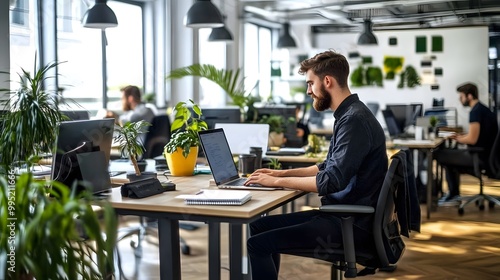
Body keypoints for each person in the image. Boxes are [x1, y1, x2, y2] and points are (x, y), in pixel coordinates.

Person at [243, 50, 389, 279]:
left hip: (350, 225)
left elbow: (330, 181)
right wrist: (279, 174)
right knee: (258, 227)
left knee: (257, 245)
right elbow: (325, 167)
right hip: (344, 217)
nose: (308, 91)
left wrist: (276, 181)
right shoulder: (350, 115)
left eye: (311, 83)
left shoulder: (353, 120)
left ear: (327, 81)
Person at [434, 82, 498, 206]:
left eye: (461, 96)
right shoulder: (482, 109)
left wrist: (457, 139)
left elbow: (472, 140)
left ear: (469, 96)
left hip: (479, 156)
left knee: (441, 155)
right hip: (487, 155)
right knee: (450, 154)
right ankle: (454, 194)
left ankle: (453, 195)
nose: (460, 98)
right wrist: (460, 136)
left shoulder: (475, 112)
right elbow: (476, 136)